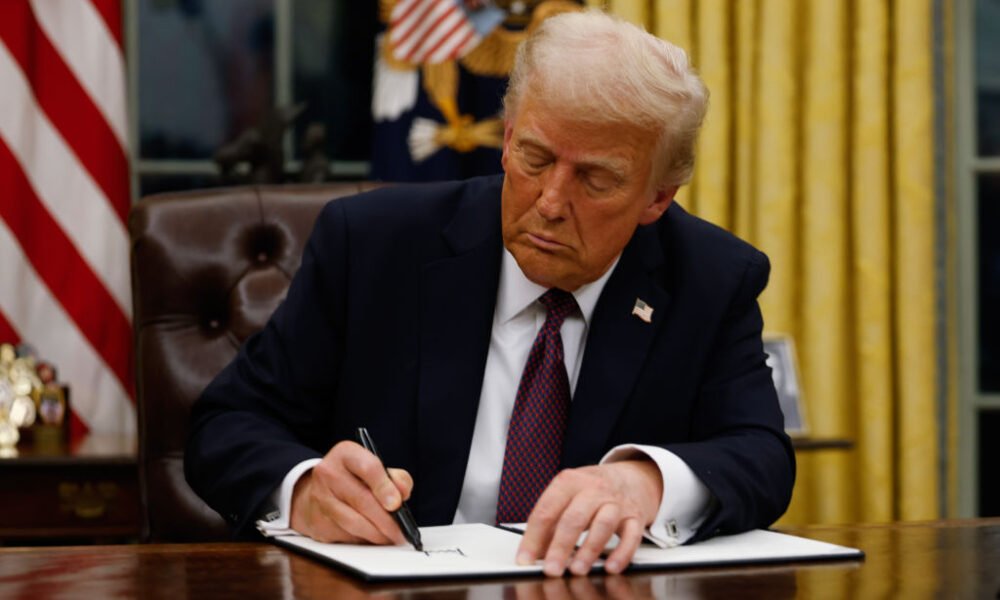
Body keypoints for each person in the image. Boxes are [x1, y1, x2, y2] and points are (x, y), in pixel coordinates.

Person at [185, 9, 795, 577]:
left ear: (657, 198)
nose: (551, 203)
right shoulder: (373, 246)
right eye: (534, 157)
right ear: (506, 140)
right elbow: (227, 424)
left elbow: (762, 455)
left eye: (596, 178)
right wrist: (306, 487)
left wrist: (646, 484)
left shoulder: (710, 278)